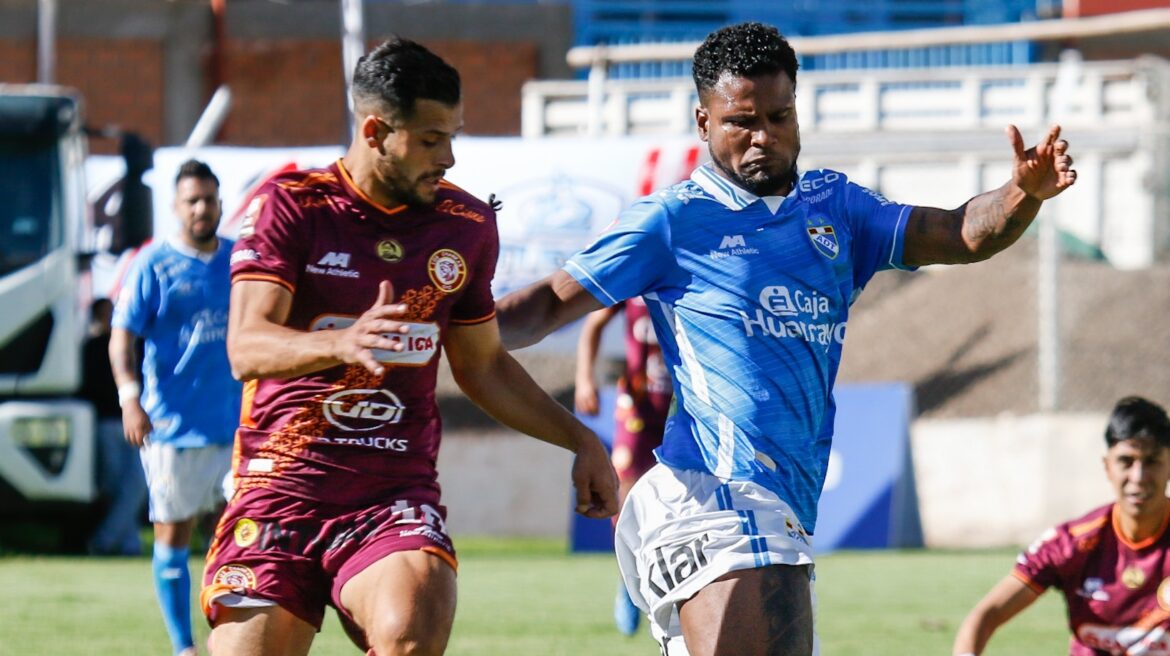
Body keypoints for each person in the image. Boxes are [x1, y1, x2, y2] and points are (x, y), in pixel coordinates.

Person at [496, 21, 1077, 656]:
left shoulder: (837, 208)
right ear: (703, 122)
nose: (762, 136)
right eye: (740, 121)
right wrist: (447, 321)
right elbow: (545, 304)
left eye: (778, 115)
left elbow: (960, 234)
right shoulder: (673, 221)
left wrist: (1023, 191)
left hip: (777, 508)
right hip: (716, 493)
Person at [200, 37, 618, 656]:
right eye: (430, 139)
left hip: (390, 495)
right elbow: (247, 346)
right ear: (375, 130)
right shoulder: (291, 206)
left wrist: (581, 439)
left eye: (454, 136)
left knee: (413, 624)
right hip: (279, 487)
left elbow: (484, 366)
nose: (448, 157)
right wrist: (345, 342)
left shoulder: (465, 226)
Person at [110, 159, 240, 656]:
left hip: (236, 427)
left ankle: (229, 638)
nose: (202, 208)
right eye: (192, 200)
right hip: (172, 428)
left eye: (209, 198)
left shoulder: (237, 260)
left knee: (237, 535)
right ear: (175, 207)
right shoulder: (152, 264)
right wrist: (129, 399)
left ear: (221, 202)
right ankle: (183, 647)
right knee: (173, 534)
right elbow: (122, 339)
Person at [953, 396, 1170, 656]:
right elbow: (985, 616)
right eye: (1126, 461)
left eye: (1152, 462)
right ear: (1107, 466)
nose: (1138, 477)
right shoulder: (1071, 543)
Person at [574, 298, 673, 636]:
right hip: (639, 404)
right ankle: (628, 578)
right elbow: (594, 322)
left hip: (685, 404)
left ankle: (671, 579)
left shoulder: (696, 273)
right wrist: (585, 377)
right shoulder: (639, 273)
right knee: (627, 493)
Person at [82, 297, 147, 556]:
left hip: (133, 421)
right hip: (108, 422)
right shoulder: (93, 346)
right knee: (114, 485)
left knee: (136, 484)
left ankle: (104, 540)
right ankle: (128, 543)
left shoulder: (135, 345)